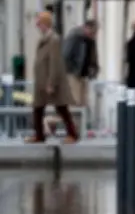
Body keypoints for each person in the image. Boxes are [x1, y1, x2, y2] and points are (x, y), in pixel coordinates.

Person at [25, 12, 80, 144]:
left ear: (46, 23)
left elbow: (55, 62)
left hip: (49, 81)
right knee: (38, 108)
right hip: (41, 81)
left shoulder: (53, 39)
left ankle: (73, 134)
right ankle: (39, 135)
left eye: (39, 23)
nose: (37, 26)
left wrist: (51, 82)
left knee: (61, 108)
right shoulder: (43, 39)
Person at [62, 19, 99, 108]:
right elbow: (65, 55)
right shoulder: (75, 36)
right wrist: (73, 69)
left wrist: (94, 69)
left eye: (95, 33)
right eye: (92, 32)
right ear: (86, 28)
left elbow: (93, 56)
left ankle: (80, 121)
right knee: (75, 102)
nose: (93, 35)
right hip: (74, 74)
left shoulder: (91, 40)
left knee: (83, 103)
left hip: (84, 75)